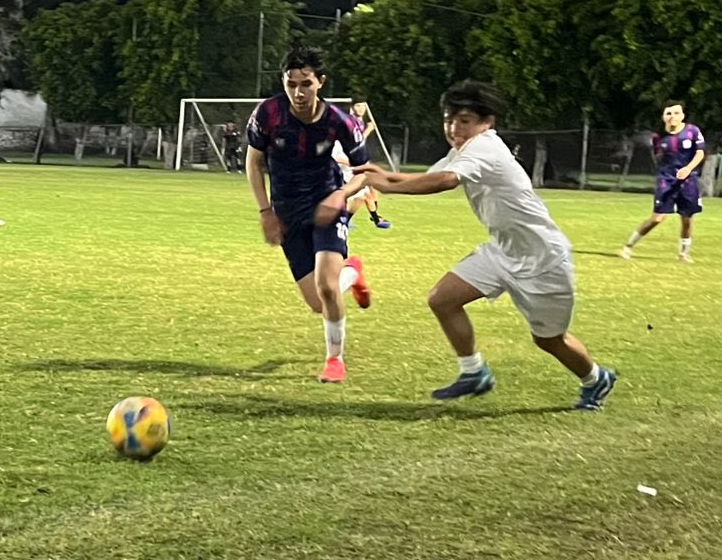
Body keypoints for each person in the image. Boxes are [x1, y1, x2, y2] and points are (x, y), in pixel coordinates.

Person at [339, 79, 616, 411]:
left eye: (464, 121)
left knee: (549, 340)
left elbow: (445, 181)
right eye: (449, 120)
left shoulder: (485, 147)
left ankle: (596, 378)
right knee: (443, 299)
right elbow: (426, 176)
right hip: (503, 251)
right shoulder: (463, 150)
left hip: (543, 259)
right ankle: (474, 372)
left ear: (487, 122)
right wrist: (381, 175)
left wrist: (383, 183)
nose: (454, 128)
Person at [245, 45, 373, 384]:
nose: (298, 93)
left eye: (306, 84)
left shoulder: (340, 122)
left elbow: (364, 172)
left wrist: (341, 195)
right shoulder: (268, 114)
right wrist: (265, 211)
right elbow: (253, 162)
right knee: (318, 302)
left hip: (326, 208)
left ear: (321, 83)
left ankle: (335, 360)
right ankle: (353, 273)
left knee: (327, 288)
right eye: (291, 84)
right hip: (287, 213)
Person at [621, 101, 706, 262]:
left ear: (682, 115)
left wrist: (688, 169)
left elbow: (700, 153)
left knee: (687, 218)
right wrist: (667, 174)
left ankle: (684, 253)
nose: (672, 116)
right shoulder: (658, 137)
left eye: (676, 113)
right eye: (668, 113)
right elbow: (659, 158)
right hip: (666, 181)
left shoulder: (692, 131)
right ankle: (628, 246)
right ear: (663, 116)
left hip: (688, 180)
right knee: (657, 218)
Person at [345, 100, 391, 229]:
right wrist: (369, 130)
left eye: (363, 106)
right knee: (362, 194)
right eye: (358, 105)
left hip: (359, 163)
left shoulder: (359, 122)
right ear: (352, 108)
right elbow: (356, 143)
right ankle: (375, 218)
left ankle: (373, 216)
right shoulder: (350, 123)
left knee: (369, 190)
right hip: (348, 167)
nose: (361, 108)